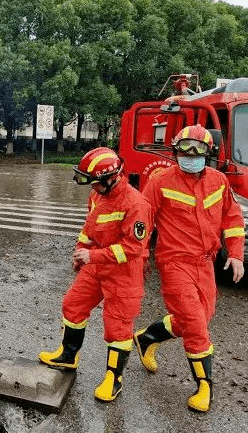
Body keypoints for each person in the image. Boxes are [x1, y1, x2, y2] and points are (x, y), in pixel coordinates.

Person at [134, 125, 245, 412]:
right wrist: (139, 256)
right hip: (173, 262)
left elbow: (232, 220)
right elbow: (143, 221)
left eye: (198, 150)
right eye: (185, 149)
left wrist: (235, 254)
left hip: (205, 262)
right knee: (196, 325)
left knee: (202, 316)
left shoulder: (219, 181)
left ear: (209, 154)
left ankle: (147, 337)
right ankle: (204, 387)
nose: (191, 155)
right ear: (175, 151)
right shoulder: (160, 182)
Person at [38, 147, 152, 402]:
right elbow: (89, 229)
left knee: (118, 327)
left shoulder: (136, 204)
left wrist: (94, 256)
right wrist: (80, 252)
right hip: (96, 264)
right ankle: (68, 355)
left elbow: (134, 248)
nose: (93, 188)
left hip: (124, 272)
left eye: (96, 183)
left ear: (112, 178)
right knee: (73, 305)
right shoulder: (97, 194)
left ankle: (114, 379)